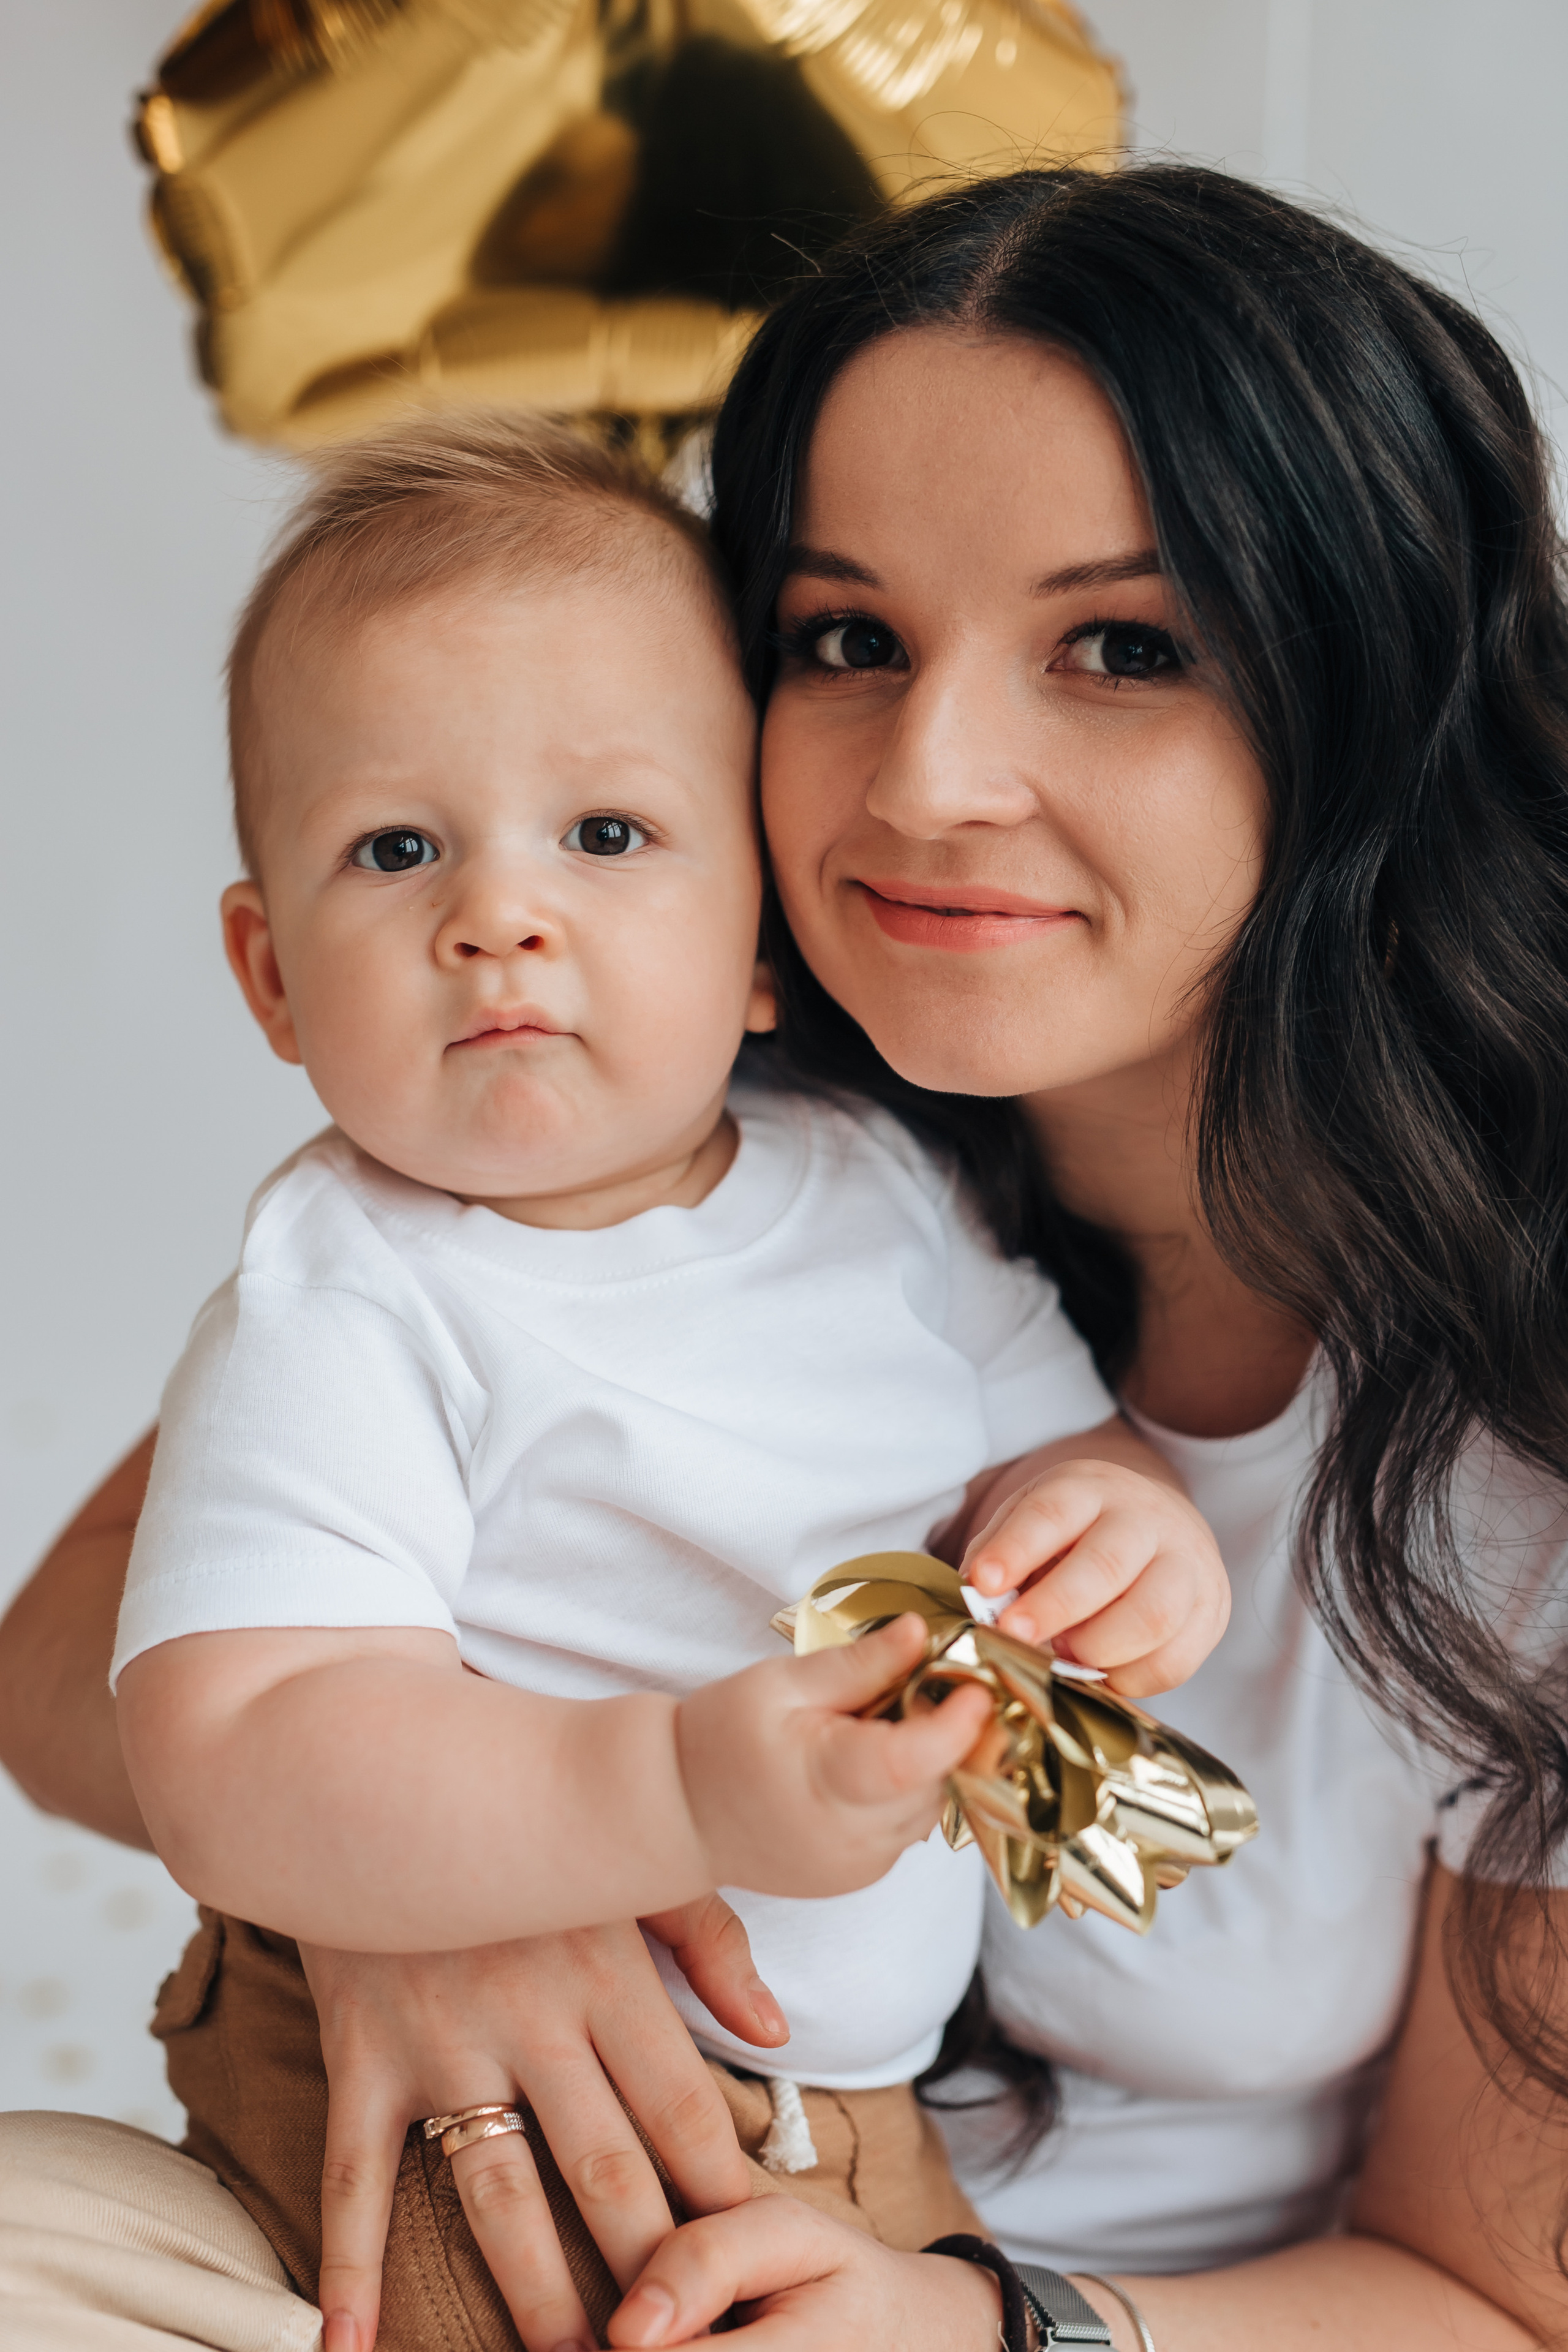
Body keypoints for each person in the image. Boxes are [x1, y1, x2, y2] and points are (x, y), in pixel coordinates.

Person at [4, 158, 1568, 2352]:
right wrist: (476, 1873)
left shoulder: (1520, 1434)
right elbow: (80, 1654)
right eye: (848, 640)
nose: (927, 779)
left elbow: (1498, 2301)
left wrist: (991, 2333)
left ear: (1367, 697)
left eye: (1120, 648)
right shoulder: (660, 1157)